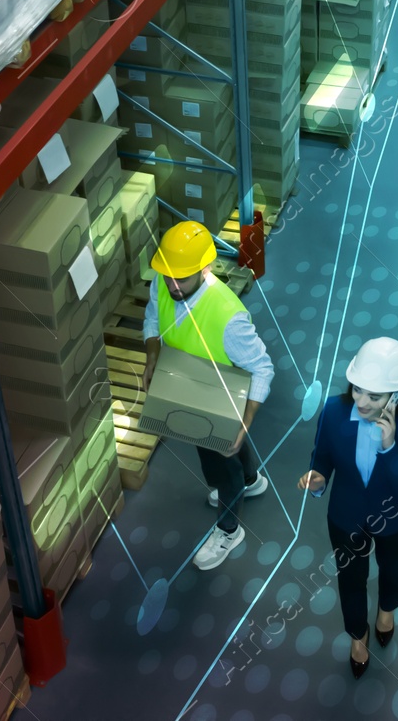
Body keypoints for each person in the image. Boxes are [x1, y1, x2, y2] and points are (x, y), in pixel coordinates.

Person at [142, 221, 275, 571]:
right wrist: (152, 353)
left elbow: (263, 368)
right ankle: (251, 480)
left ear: (205, 268)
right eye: (167, 276)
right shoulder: (167, 277)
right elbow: (153, 317)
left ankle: (230, 530)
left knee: (220, 467)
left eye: (180, 279)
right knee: (227, 462)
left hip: (220, 399)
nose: (171, 285)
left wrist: (244, 424)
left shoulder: (228, 317)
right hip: (193, 387)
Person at [298, 338, 398, 679]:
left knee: (394, 568)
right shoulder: (332, 410)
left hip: (397, 518)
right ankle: (359, 635)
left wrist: (389, 447)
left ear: (396, 395)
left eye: (374, 396)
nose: (361, 401)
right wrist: (318, 478)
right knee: (351, 579)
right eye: (358, 389)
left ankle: (386, 611)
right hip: (348, 514)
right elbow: (322, 456)